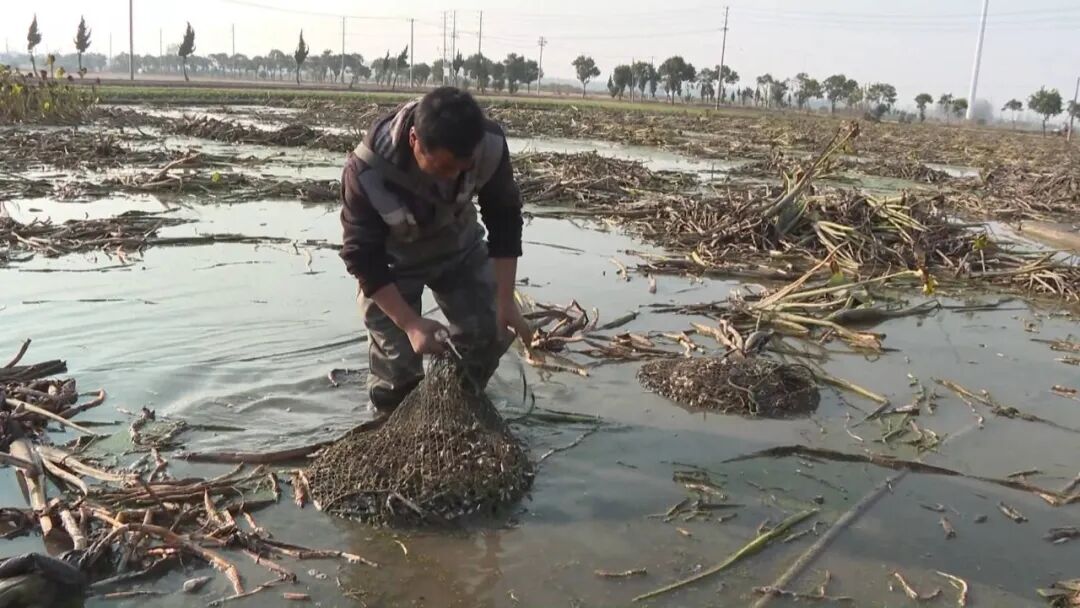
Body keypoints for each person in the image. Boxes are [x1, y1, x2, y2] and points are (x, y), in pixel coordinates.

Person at [339, 87, 532, 417]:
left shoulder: (489, 146)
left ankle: (458, 406)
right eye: (442, 168)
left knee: (488, 332)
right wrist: (412, 324)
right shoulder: (366, 171)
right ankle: (394, 418)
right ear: (414, 139)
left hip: (457, 244)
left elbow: (505, 220)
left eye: (462, 168)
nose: (453, 178)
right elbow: (363, 258)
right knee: (397, 373)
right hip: (391, 263)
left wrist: (506, 303)